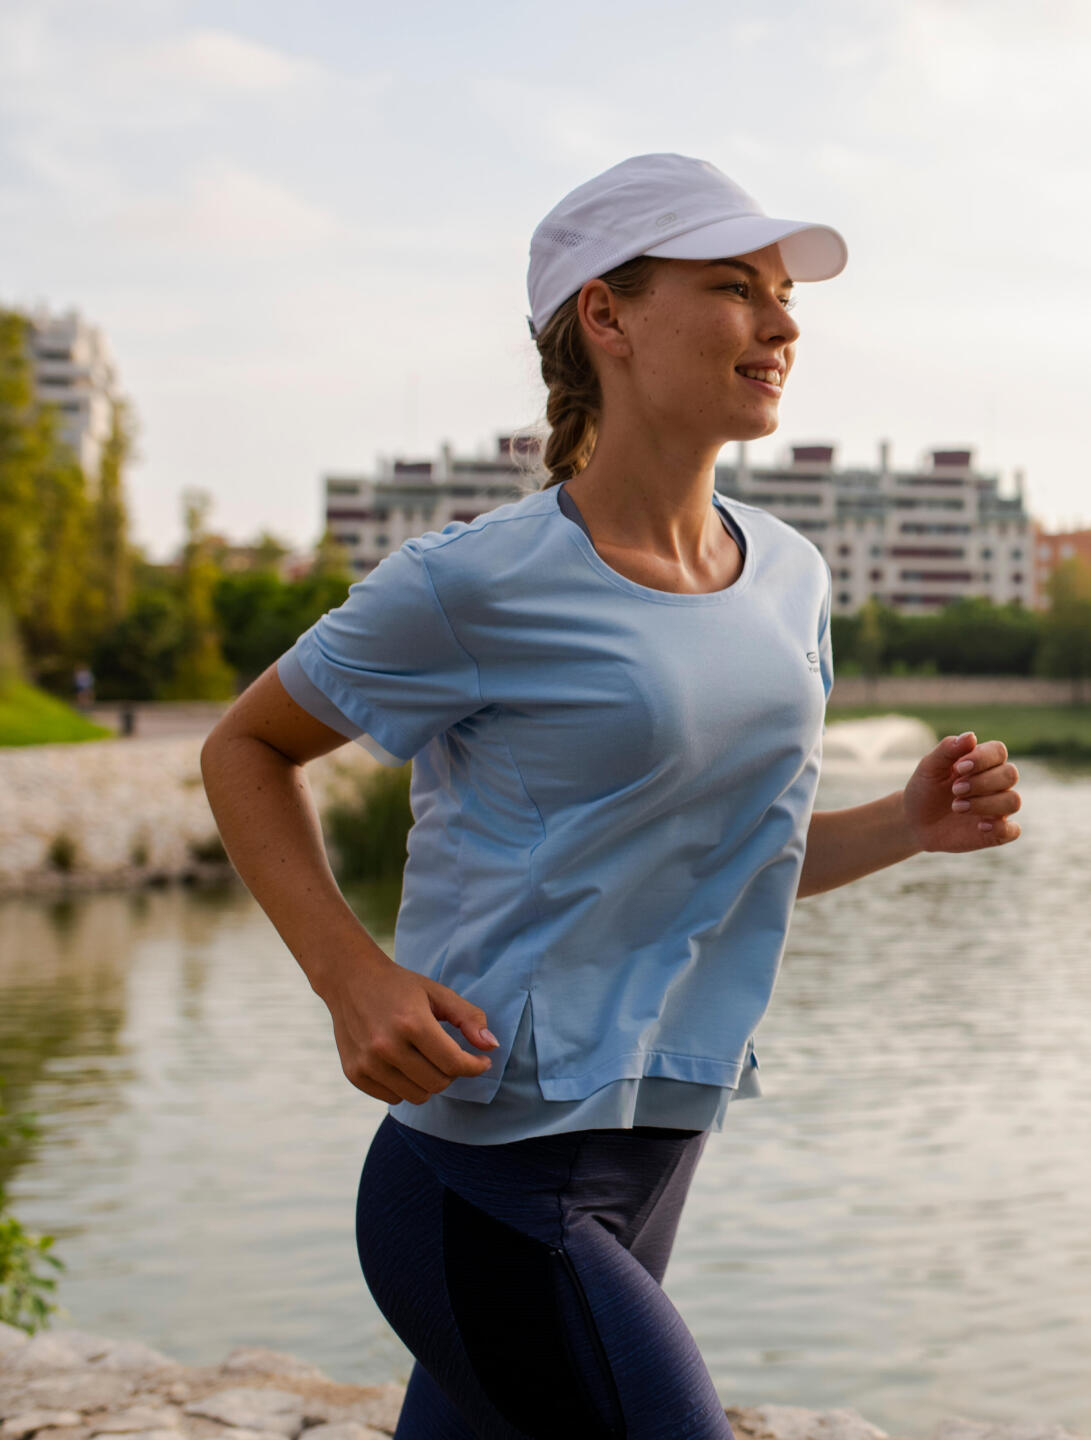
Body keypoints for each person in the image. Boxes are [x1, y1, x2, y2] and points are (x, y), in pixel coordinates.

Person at [199, 152, 1024, 1440]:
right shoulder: (472, 582)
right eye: (734, 286)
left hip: (658, 1140)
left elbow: (734, 850)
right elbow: (244, 750)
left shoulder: (791, 577)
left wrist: (910, 826)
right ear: (610, 314)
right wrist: (349, 976)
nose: (783, 321)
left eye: (783, 295)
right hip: (483, 1177)